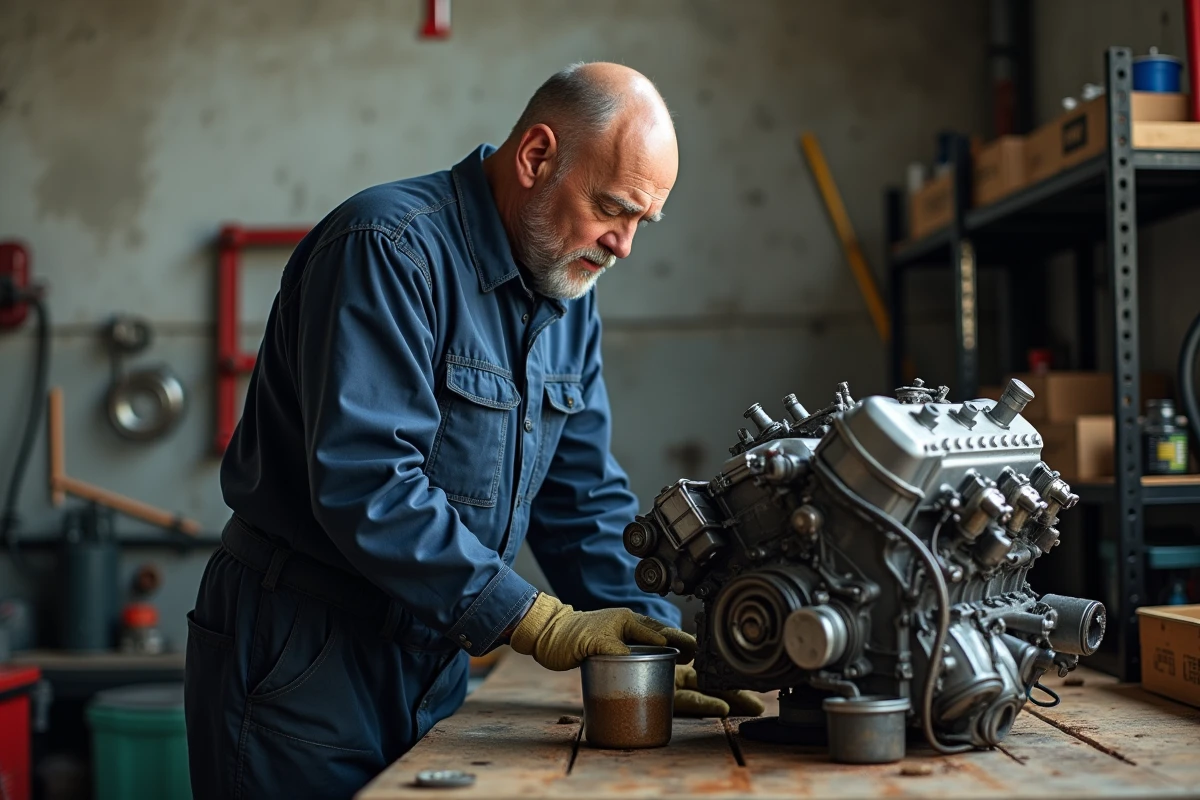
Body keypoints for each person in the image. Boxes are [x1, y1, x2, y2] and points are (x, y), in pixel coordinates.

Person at [184, 62, 760, 800]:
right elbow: (368, 482)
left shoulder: (567, 295)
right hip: (303, 654)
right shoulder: (387, 249)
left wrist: (659, 650)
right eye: (612, 209)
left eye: (640, 223)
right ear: (536, 156)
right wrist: (535, 620)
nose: (623, 246)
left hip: (434, 655)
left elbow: (581, 500)